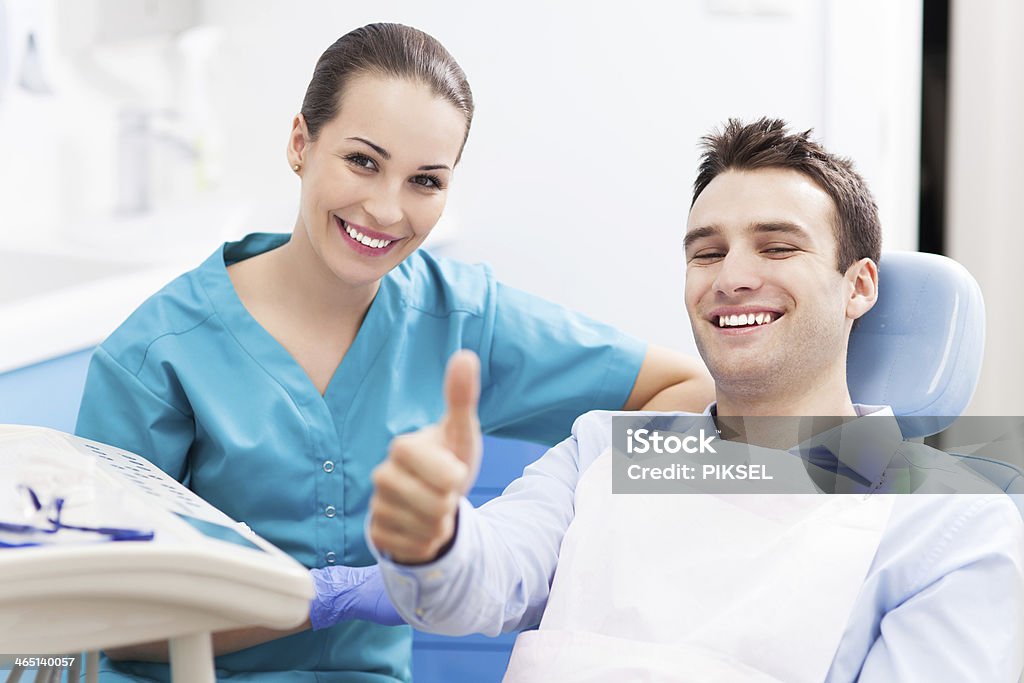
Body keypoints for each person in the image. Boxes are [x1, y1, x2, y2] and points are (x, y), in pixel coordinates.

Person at [74, 23, 713, 683]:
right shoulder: (158, 356)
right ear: (301, 143)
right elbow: (93, 617)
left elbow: (688, 393)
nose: (385, 208)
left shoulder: (461, 317)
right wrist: (319, 599)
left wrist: (527, 524)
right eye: (362, 161)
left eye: (425, 181)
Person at [366, 118, 1024, 682]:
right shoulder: (603, 450)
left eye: (777, 246)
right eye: (707, 253)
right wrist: (433, 537)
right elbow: (477, 583)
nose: (732, 278)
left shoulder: (949, 525)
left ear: (859, 287)